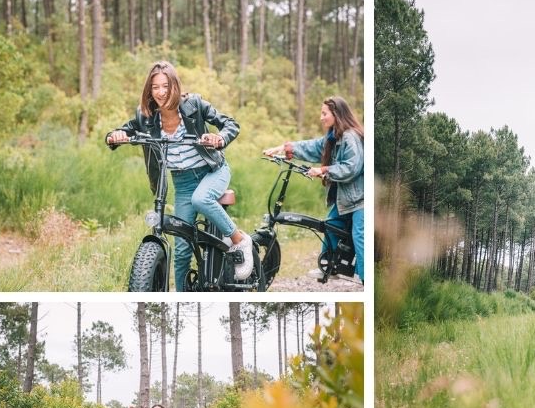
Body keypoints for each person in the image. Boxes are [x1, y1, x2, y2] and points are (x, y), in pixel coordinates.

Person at [105, 61, 252, 290]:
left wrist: (219, 138)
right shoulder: (146, 116)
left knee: (201, 199)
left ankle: (239, 240)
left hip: (211, 170)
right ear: (149, 90)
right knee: (182, 250)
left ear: (174, 85)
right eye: (155, 87)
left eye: (165, 86)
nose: (161, 92)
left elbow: (230, 124)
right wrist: (116, 135)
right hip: (182, 182)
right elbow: (126, 129)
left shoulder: (194, 104)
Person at [262, 96, 364, 283]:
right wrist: (280, 148)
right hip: (345, 198)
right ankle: (330, 267)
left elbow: (352, 167)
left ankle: (364, 277)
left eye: (324, 113)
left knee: (360, 236)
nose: (321, 117)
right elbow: (312, 147)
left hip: (360, 200)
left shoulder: (350, 137)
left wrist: (323, 170)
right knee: (331, 226)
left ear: (337, 114)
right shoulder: (333, 137)